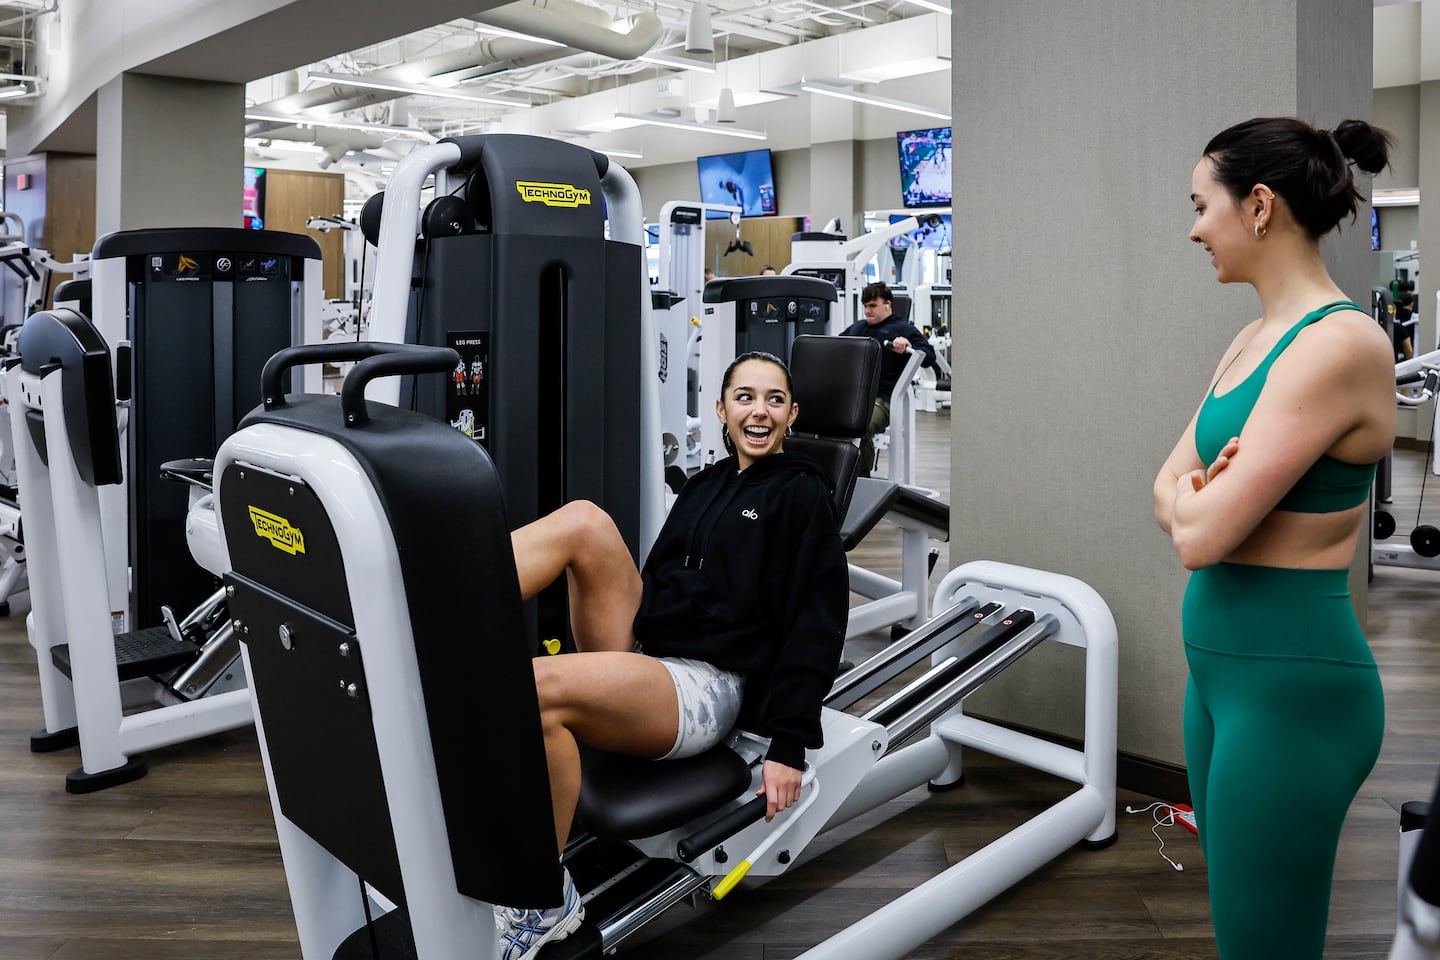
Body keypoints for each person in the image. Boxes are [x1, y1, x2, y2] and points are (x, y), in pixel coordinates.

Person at [494, 351, 849, 959]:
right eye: (744, 397)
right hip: (652, 652)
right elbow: (658, 578)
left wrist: (787, 745)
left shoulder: (801, 494)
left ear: (791, 414)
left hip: (706, 682)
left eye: (772, 399)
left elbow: (816, 621)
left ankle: (545, 905)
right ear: (721, 409)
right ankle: (430, 605)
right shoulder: (708, 484)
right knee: (584, 522)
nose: (758, 410)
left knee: (531, 689)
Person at [1153, 117, 1394, 960]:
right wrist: (1195, 498)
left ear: (1258, 207)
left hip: (1293, 692)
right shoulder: (1249, 339)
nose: (1192, 229)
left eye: (1200, 205)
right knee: (1240, 925)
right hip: (1217, 676)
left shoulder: (1338, 345)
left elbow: (1196, 535)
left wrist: (1198, 501)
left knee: (1265, 945)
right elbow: (1164, 490)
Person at [838, 281, 937, 477]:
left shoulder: (903, 328)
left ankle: (860, 482)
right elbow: (834, 346)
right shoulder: (858, 328)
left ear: (888, 305)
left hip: (883, 400)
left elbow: (928, 356)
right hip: (853, 396)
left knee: (859, 424)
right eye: (865, 306)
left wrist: (908, 345)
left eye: (873, 305)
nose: (867, 310)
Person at [1394, 290, 1416, 362]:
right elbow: (1409, 351)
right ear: (1412, 304)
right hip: (1407, 357)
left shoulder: (1394, 321)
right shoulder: (1415, 319)